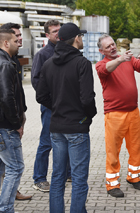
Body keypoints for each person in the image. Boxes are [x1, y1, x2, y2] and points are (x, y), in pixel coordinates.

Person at [36, 22, 96, 212]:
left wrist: (57, 107)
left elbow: (40, 96)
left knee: (57, 177)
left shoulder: (48, 63)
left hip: (57, 127)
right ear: (76, 38)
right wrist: (89, 116)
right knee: (78, 179)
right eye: (81, 36)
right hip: (77, 127)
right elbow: (87, 99)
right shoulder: (82, 63)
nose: (83, 39)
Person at [95, 34, 140, 197]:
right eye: (108, 46)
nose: (112, 47)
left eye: (113, 44)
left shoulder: (128, 59)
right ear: (101, 51)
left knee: (136, 148)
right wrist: (121, 59)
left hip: (133, 112)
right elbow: (106, 69)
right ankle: (112, 184)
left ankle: (133, 177)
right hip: (114, 114)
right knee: (113, 150)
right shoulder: (102, 64)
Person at [31, 19, 71, 192]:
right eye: (54, 31)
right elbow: (36, 81)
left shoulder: (68, 52)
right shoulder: (43, 55)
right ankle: (39, 178)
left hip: (67, 106)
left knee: (67, 139)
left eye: (59, 30)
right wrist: (51, 102)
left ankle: (67, 172)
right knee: (47, 142)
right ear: (47, 35)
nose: (58, 33)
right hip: (50, 107)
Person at [0, 22, 33, 201]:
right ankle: (5, 208)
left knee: (3, 168)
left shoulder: (9, 61)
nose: (19, 42)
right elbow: (7, 97)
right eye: (15, 39)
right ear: (6, 43)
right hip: (6, 126)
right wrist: (16, 124)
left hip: (4, 125)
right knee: (15, 168)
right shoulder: (5, 64)